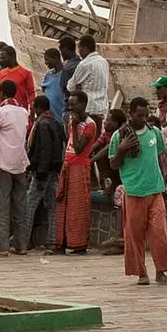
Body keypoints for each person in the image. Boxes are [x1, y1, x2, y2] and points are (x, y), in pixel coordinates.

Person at [109, 97, 167, 285]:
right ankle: (141, 273)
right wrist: (122, 149)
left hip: (155, 190)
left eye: (147, 115)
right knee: (135, 236)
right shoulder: (119, 136)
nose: (145, 119)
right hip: (133, 192)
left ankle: (161, 272)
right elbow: (113, 164)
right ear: (131, 114)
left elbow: (159, 161)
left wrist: (163, 187)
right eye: (140, 115)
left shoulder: (154, 133)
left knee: (159, 234)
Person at [0, 80, 29, 257]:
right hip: (20, 162)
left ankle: (1, 247)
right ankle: (21, 245)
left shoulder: (1, 112)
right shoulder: (24, 112)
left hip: (3, 163)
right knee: (19, 206)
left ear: (1, 93)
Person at [54, 92, 97, 255]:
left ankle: (79, 244)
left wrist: (73, 125)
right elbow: (69, 141)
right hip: (68, 164)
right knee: (63, 205)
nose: (71, 108)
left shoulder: (89, 124)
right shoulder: (73, 120)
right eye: (69, 105)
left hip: (80, 167)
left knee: (77, 207)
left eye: (74, 105)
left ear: (84, 104)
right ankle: (62, 242)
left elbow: (79, 148)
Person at [23, 95, 64, 253]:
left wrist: (40, 171)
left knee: (29, 204)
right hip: (53, 170)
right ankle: (52, 240)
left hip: (43, 170)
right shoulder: (55, 123)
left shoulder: (42, 125)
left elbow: (44, 149)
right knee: (52, 206)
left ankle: (23, 240)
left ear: (38, 108)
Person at [66, 35, 109, 138]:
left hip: (88, 109)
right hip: (101, 108)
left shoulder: (84, 64)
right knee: (96, 140)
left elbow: (70, 87)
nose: (79, 51)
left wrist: (78, 87)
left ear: (85, 48)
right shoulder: (104, 62)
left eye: (80, 48)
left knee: (84, 143)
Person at [90, 109, 127, 195]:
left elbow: (107, 148)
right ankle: (102, 182)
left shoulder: (119, 134)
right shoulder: (107, 133)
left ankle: (115, 183)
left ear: (115, 124)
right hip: (113, 162)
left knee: (103, 154)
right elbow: (97, 143)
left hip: (120, 164)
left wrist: (91, 161)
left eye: (107, 120)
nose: (104, 122)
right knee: (96, 150)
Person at [0, 46, 36, 112]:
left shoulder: (26, 73)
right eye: (0, 58)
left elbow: (31, 93)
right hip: (4, 111)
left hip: (21, 111)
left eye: (4, 58)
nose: (1, 60)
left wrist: (32, 110)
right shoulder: (1, 73)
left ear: (12, 56)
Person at [58, 36, 81, 129]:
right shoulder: (81, 64)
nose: (61, 53)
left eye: (61, 50)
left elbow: (65, 89)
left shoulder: (67, 69)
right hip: (81, 108)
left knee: (70, 140)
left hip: (69, 109)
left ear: (67, 50)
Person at [41, 48, 66, 127]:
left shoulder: (65, 74)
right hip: (51, 118)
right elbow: (44, 88)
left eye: (47, 60)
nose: (45, 62)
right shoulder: (48, 74)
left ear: (55, 58)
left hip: (63, 117)